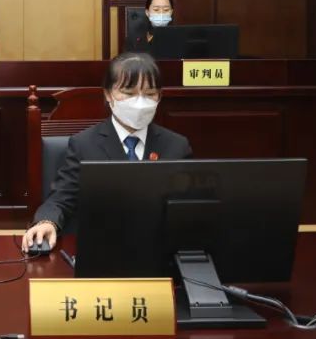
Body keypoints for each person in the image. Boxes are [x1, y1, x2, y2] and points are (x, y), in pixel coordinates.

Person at [21, 52, 192, 252]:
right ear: (108, 94)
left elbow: (189, 206)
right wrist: (47, 222)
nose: (140, 102)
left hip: (159, 250)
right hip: (101, 248)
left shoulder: (177, 146)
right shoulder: (83, 144)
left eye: (149, 93)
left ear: (159, 96)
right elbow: (62, 197)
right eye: (129, 93)